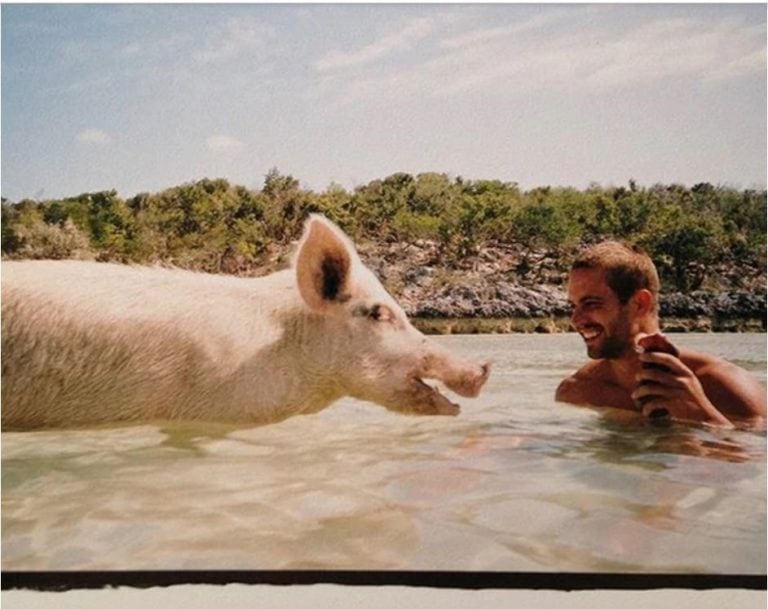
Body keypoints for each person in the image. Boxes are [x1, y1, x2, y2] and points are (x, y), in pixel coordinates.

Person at [555, 241, 766, 428]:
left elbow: (757, 462)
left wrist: (702, 415)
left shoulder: (725, 385)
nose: (576, 319)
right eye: (573, 306)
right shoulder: (578, 391)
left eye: (591, 304)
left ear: (640, 303)